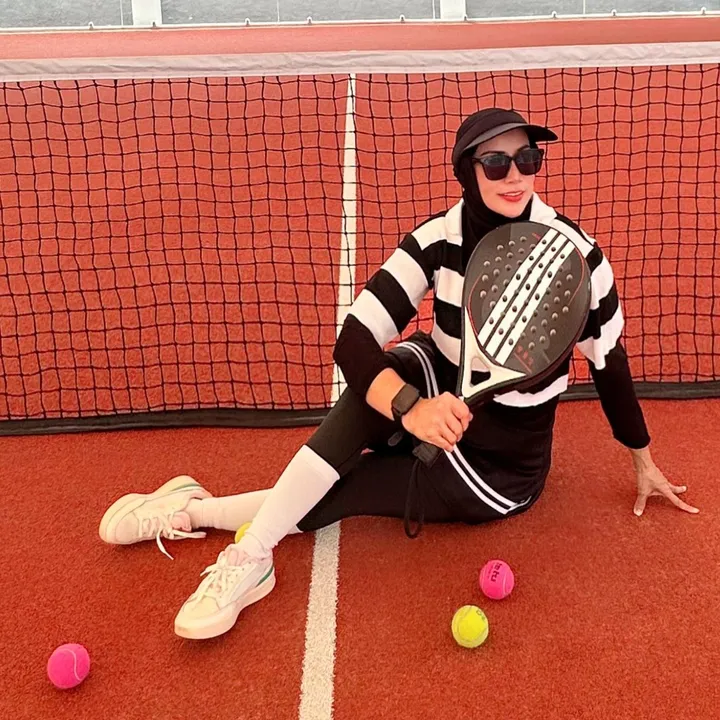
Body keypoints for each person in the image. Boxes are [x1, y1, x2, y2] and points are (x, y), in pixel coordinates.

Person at [98, 107, 698, 640]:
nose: (515, 175)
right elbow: (354, 340)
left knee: (349, 489)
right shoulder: (437, 239)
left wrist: (641, 457)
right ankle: (251, 558)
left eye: (527, 158)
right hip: (437, 381)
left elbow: (609, 359)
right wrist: (413, 408)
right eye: (496, 162)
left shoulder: (576, 255)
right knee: (373, 386)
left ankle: (193, 511)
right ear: (468, 172)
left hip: (502, 464)